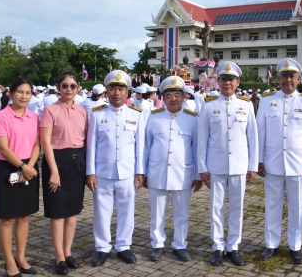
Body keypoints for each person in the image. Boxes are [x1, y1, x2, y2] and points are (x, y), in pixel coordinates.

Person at [256, 58, 302, 264]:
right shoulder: (267, 100)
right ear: (278, 79)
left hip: (298, 165)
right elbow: (260, 132)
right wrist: (258, 160)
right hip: (273, 163)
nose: (287, 80)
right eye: (283, 76)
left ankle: (295, 245)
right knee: (272, 205)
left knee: (297, 207)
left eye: (291, 76)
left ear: (299, 79)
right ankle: (271, 244)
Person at [197, 61, 258, 267]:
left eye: (231, 80)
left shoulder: (246, 105)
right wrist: (202, 167)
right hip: (216, 165)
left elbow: (253, 138)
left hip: (239, 165)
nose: (227, 83)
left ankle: (233, 245)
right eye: (223, 79)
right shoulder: (209, 105)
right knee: (216, 207)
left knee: (236, 207)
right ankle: (217, 246)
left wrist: (252, 166)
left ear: (237, 82)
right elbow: (202, 140)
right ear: (218, 81)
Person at [86, 70, 145, 267]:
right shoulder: (97, 114)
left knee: (126, 210)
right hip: (102, 172)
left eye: (121, 89)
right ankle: (102, 247)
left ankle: (123, 246)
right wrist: (90, 172)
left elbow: (140, 146)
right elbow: (91, 146)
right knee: (102, 211)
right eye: (112, 89)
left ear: (127, 92)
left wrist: (140, 171)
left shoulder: (136, 115)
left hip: (127, 172)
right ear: (107, 91)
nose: (117, 93)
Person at [144, 76, 201, 262]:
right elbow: (145, 147)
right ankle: (157, 244)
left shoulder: (193, 119)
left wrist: (198, 175)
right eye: (169, 95)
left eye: (177, 95)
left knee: (181, 213)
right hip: (157, 172)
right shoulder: (153, 117)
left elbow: (197, 148)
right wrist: (143, 173)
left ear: (184, 96)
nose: (173, 99)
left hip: (182, 172)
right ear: (163, 97)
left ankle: (180, 244)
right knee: (157, 213)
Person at [40, 71, 88, 275]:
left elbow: (85, 140)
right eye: (65, 85)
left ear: (78, 89)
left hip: (77, 161)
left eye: (73, 86)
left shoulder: (83, 111)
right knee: (58, 212)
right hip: (56, 161)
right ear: (58, 87)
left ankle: (68, 252)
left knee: (72, 211)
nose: (69, 89)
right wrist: (54, 171)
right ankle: (58, 255)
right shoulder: (50, 110)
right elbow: (45, 142)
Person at [0, 77, 40, 277]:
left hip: (29, 166)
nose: (24, 96)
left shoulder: (34, 116)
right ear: (11, 93)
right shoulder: (1, 116)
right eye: (20, 91)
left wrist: (28, 167)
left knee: (24, 216)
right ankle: (9, 261)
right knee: (7, 218)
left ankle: (21, 256)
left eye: (28, 92)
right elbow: (3, 146)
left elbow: (38, 144)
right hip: (9, 168)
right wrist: (21, 166)